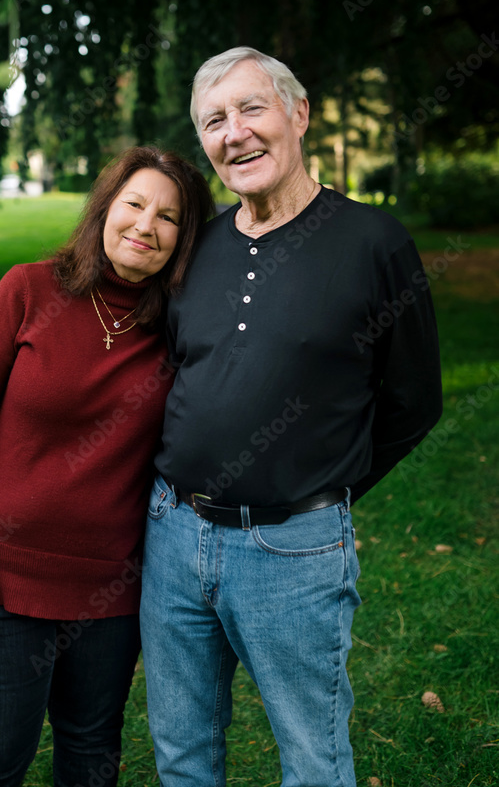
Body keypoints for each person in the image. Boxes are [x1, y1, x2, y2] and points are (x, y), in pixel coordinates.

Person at [139, 47, 443, 787]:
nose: (233, 133)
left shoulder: (374, 243)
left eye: (250, 108)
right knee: (181, 754)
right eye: (213, 121)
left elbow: (412, 401)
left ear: (297, 114)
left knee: (312, 761)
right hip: (173, 538)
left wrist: (319, 489)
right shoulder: (197, 244)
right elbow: (179, 366)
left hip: (293, 554)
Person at [0, 145, 214, 787]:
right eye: (135, 204)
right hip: (6, 580)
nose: (147, 226)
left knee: (91, 757)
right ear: (105, 209)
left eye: (169, 217)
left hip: (113, 589)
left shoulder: (177, 325)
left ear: (184, 237)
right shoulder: (28, 289)